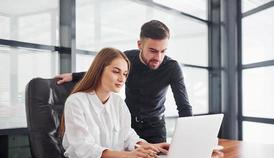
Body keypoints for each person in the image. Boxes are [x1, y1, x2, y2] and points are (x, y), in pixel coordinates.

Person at [57, 20, 192, 144]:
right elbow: (102, 71)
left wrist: (188, 139)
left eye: (163, 51)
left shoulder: (172, 67)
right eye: (153, 51)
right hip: (127, 125)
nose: (158, 57)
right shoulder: (127, 58)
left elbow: (184, 107)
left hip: (155, 129)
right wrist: (73, 76)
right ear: (140, 45)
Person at [61, 47, 169, 158]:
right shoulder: (76, 102)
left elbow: (127, 136)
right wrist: (125, 156)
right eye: (116, 71)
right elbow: (83, 147)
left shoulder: (118, 102)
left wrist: (145, 146)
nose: (122, 79)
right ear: (99, 70)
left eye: (125, 74)